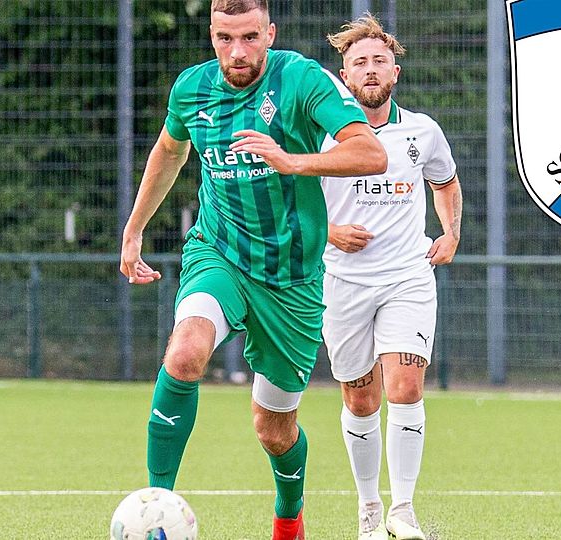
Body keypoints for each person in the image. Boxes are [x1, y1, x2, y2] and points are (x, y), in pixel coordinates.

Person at [119, 1, 388, 538]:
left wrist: (293, 160)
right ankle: (157, 507)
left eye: (248, 37)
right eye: (225, 39)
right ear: (211, 35)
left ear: (270, 33)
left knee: (274, 429)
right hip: (218, 251)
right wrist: (133, 229)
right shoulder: (192, 89)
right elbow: (169, 152)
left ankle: (289, 515)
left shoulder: (301, 80)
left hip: (292, 279)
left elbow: (370, 153)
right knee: (185, 351)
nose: (236, 52)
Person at [321, 15, 463, 540]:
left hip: (407, 277)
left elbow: (445, 183)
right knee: (360, 399)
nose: (370, 69)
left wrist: (451, 232)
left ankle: (403, 510)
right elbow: (291, 197)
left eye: (379, 60)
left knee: (404, 386)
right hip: (342, 282)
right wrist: (331, 232)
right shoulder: (323, 134)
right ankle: (369, 509)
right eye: (359, 62)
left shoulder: (423, 131)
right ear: (345, 75)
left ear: (395, 71)